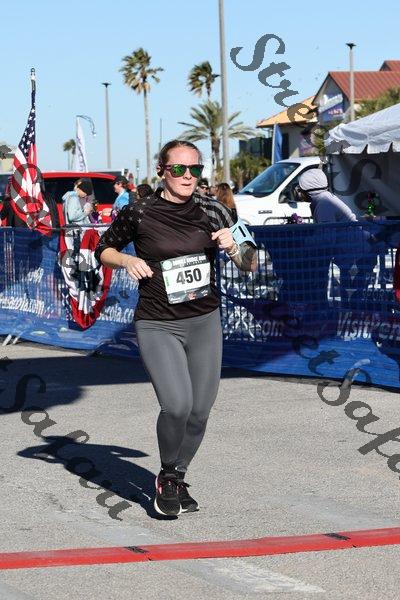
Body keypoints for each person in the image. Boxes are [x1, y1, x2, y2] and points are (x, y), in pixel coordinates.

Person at [95, 139, 257, 517]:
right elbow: (104, 249)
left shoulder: (214, 209)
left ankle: (177, 476)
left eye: (194, 169)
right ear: (162, 172)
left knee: (200, 411)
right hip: (158, 323)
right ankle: (167, 476)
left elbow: (250, 262)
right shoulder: (139, 210)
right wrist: (126, 261)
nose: (187, 176)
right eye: (179, 169)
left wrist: (234, 247)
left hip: (204, 322)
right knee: (177, 405)